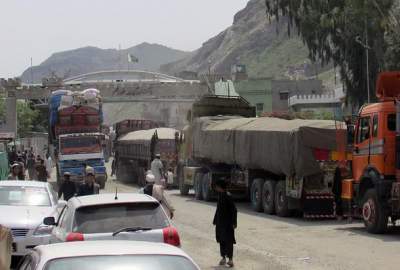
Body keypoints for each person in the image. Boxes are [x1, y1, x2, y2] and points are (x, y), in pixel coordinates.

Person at [213, 180, 237, 268]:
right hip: (220, 223)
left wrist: (234, 222)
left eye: (217, 186)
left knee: (229, 241)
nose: (216, 188)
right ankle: (223, 258)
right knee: (221, 240)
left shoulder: (228, 196)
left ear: (220, 187)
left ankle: (230, 259)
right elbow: (218, 210)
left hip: (228, 224)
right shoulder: (220, 196)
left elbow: (234, 210)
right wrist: (215, 220)